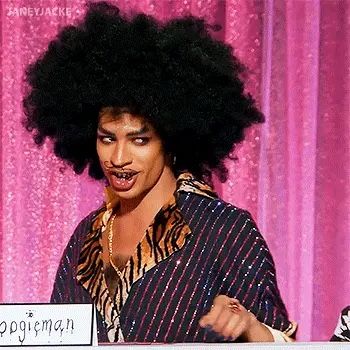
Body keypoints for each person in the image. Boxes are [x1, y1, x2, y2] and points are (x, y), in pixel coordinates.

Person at [23, 1, 297, 343]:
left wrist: (251, 328)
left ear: (170, 139)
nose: (118, 157)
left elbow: (286, 343)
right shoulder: (85, 238)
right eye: (107, 138)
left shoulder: (224, 230)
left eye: (139, 140)